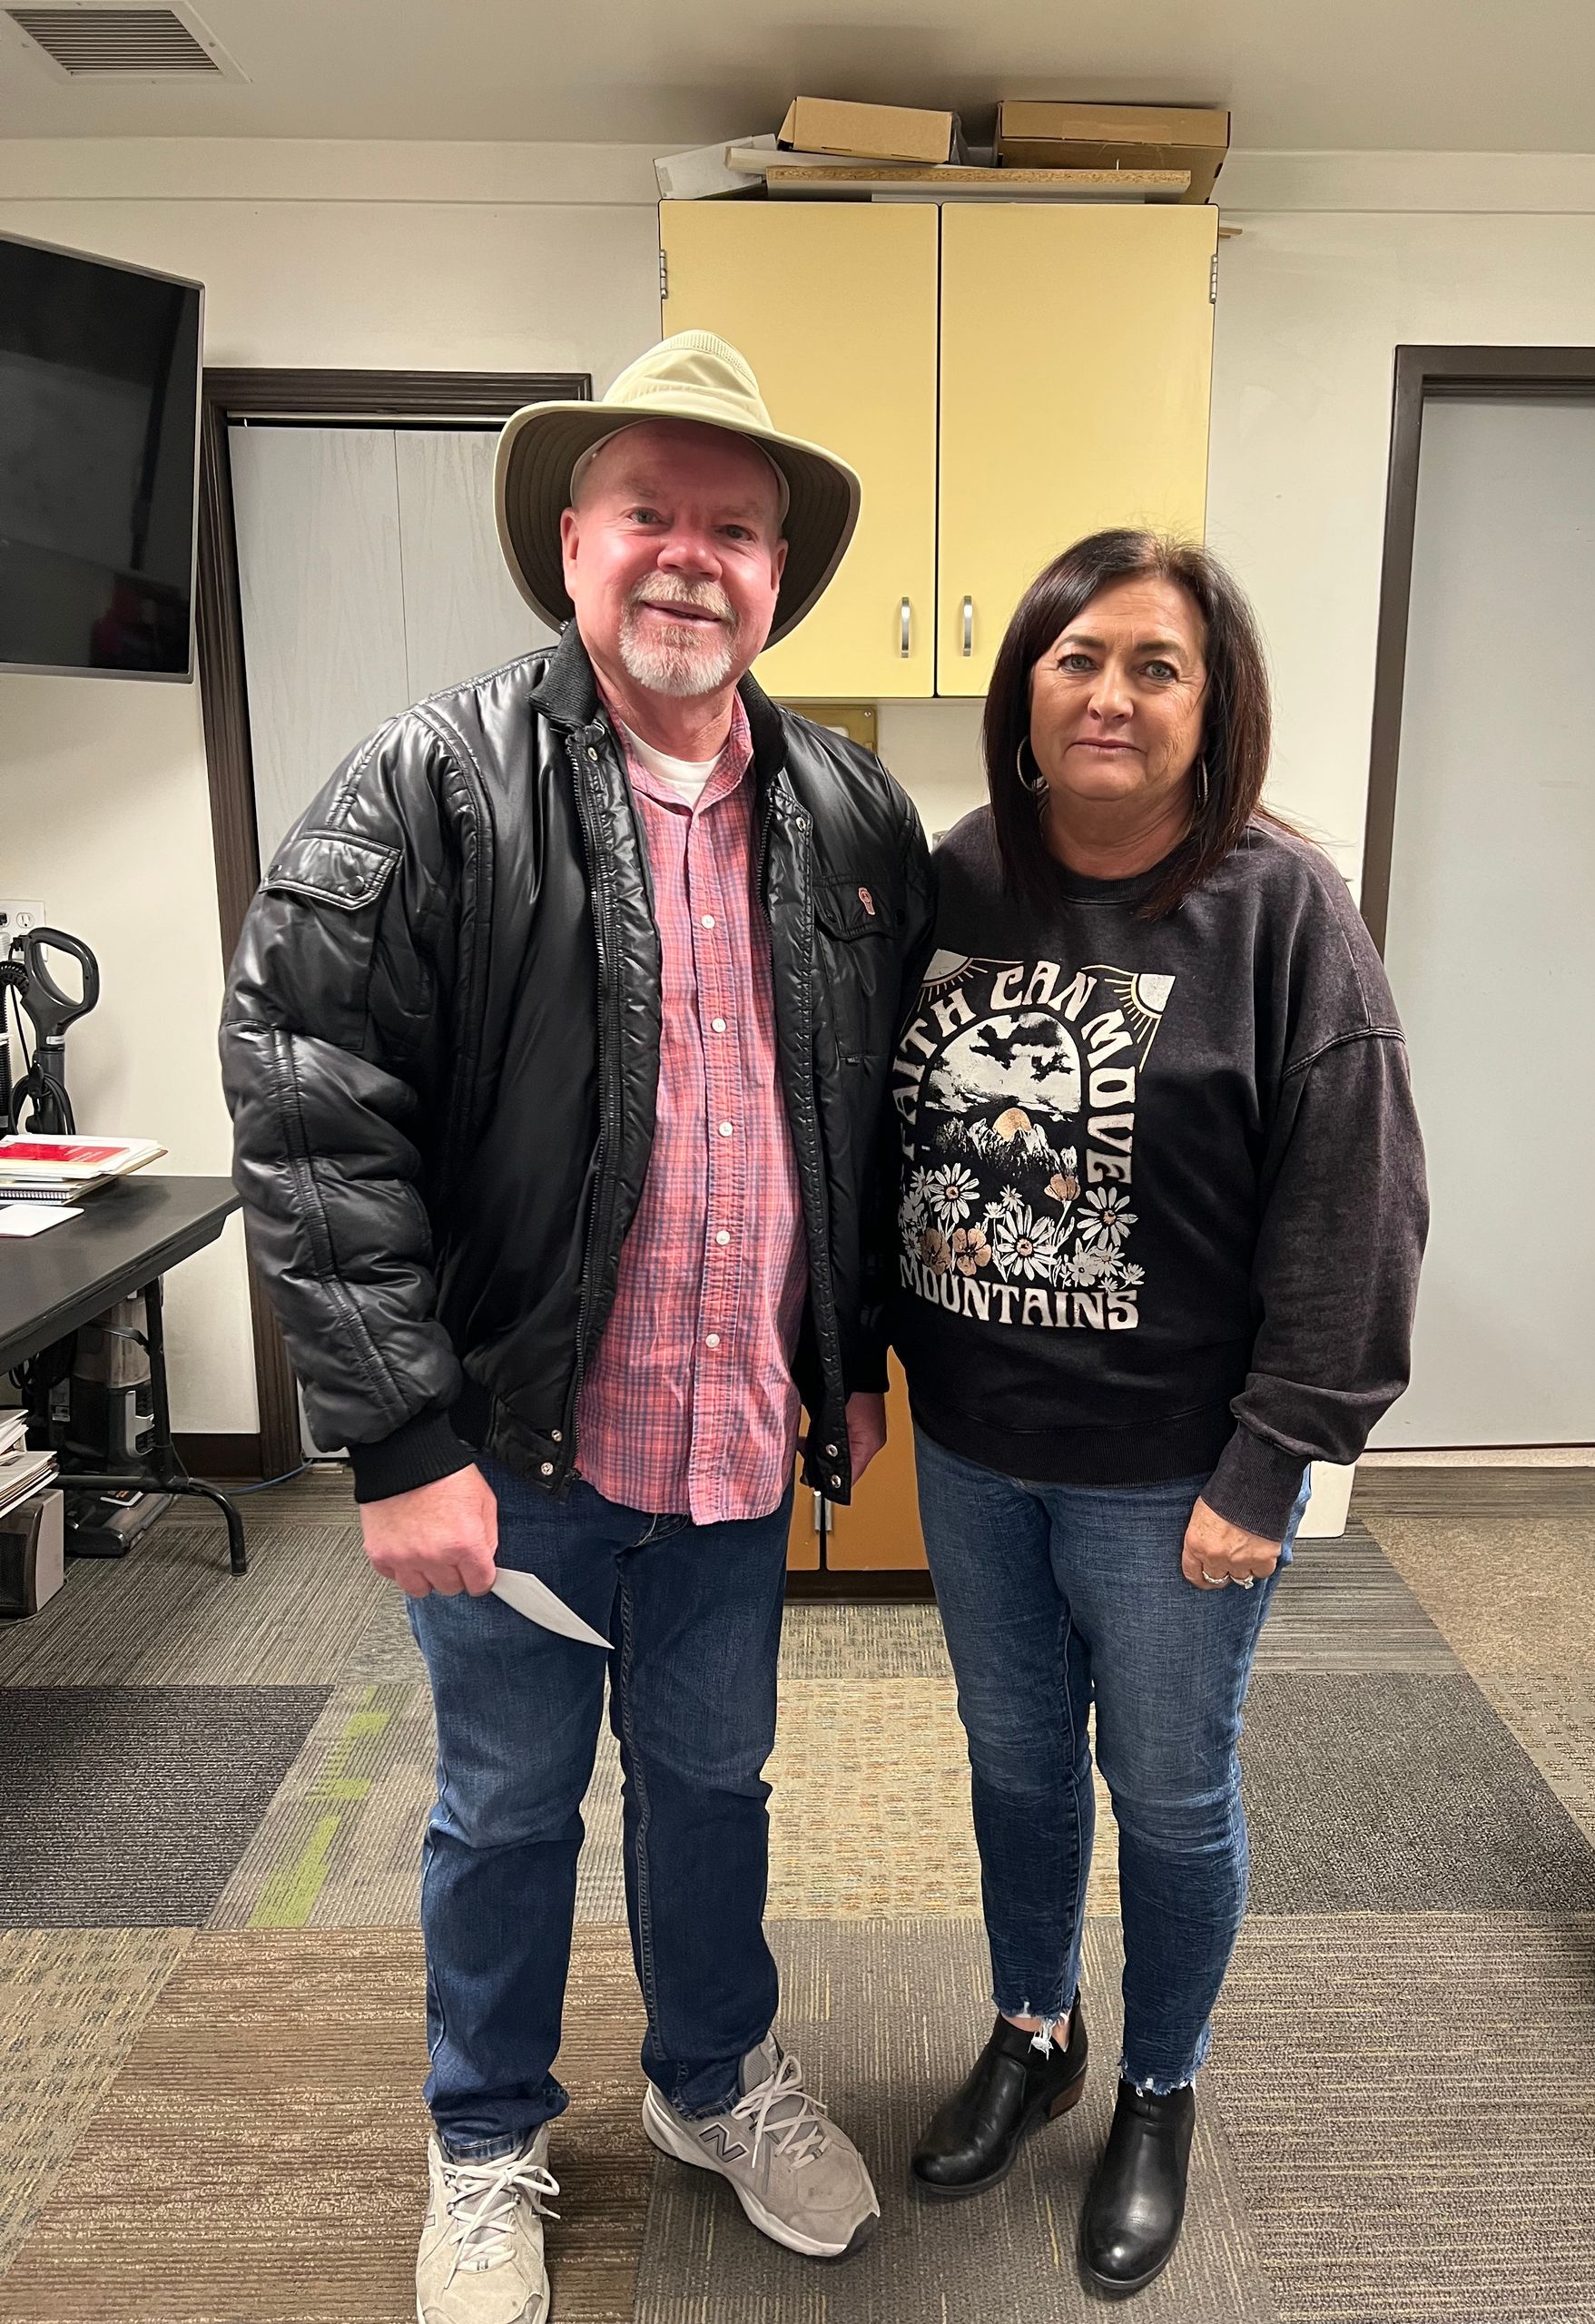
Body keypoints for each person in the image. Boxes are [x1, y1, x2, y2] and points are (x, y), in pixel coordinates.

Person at [222, 331, 934, 2323]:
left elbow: (869, 1118)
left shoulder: (852, 815)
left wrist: (851, 1358)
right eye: (649, 514)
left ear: (777, 574)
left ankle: (711, 2078)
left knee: (715, 1785)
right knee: (510, 1804)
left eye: (735, 528)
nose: (691, 557)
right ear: (570, 541)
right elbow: (308, 1091)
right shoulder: (432, 782)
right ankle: (481, 2139)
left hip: (734, 1441)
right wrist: (395, 1437)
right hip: (513, 1443)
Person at [894, 529, 1427, 2298]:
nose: (1111, 694)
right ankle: (1035, 2028)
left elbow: (1358, 1208)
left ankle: (1159, 2085)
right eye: (1078, 658)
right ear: (1025, 688)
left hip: (1175, 1475)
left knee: (1171, 1795)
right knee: (1014, 1764)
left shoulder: (1282, 909)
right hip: (974, 1446)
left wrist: (1273, 1464)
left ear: (1215, 705)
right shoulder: (960, 876)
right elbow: (887, 1129)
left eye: (1156, 664)